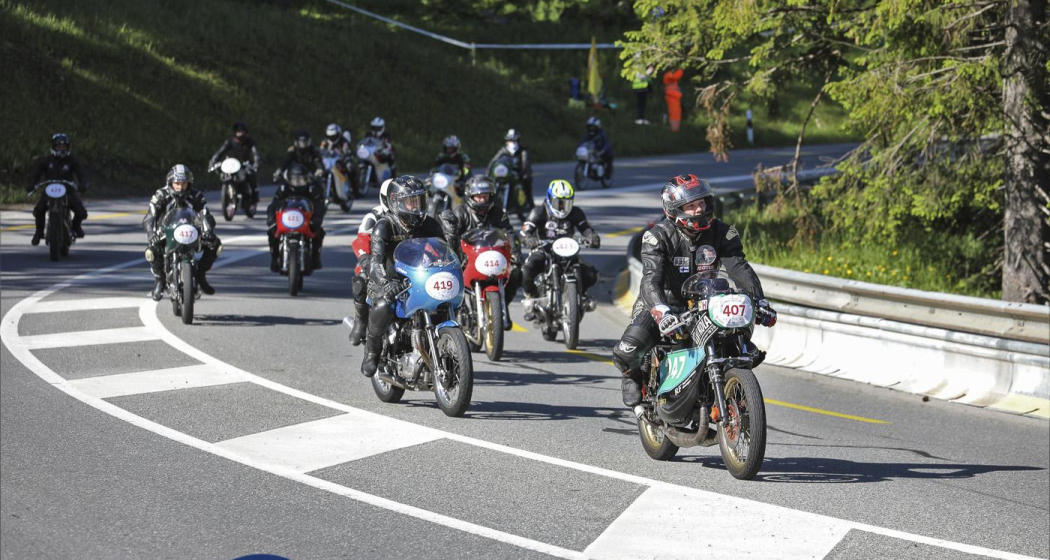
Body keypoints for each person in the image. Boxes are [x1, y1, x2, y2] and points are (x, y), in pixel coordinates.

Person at [611, 174, 778, 408]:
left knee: (742, 341)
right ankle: (632, 375)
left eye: (702, 203)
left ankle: (731, 385)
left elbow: (738, 266)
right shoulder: (657, 236)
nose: (699, 210)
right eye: (691, 206)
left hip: (706, 303)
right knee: (627, 351)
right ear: (674, 210)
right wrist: (662, 311)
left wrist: (759, 300)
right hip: (663, 303)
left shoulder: (723, 232)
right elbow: (651, 280)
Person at [360, 176, 446, 377]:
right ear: (395, 201)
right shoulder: (385, 225)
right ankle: (371, 352)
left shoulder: (430, 225)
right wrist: (385, 282)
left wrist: (452, 237)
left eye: (419, 200)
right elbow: (376, 261)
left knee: (443, 305)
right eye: (410, 201)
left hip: (421, 277)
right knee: (383, 306)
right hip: (389, 279)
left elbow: (448, 256)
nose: (415, 207)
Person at [439, 175, 523, 329]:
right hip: (468, 261)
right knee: (449, 281)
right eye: (478, 197)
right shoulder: (460, 213)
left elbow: (509, 233)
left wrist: (516, 252)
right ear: (471, 197)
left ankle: (502, 307)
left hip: (494, 260)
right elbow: (451, 237)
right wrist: (454, 256)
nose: (482, 200)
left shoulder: (498, 213)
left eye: (485, 196)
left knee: (517, 273)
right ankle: (454, 315)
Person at [519, 179, 600, 321]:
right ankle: (531, 298)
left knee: (590, 273)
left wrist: (591, 236)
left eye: (566, 202)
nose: (562, 207)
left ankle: (581, 295)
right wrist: (529, 239)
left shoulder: (576, 213)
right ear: (550, 199)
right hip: (543, 250)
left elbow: (585, 228)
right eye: (559, 202)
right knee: (526, 269)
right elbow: (525, 231)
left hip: (568, 252)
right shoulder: (538, 212)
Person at [143, 165, 221, 300]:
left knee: (215, 245)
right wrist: (152, 234)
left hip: (192, 232)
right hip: (166, 233)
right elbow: (150, 217)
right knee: (151, 250)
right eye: (177, 183)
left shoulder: (196, 195)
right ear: (170, 183)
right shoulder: (161, 195)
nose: (180, 187)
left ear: (188, 183)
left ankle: (201, 276)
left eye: (183, 183)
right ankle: (159, 280)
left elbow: (205, 214)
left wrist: (208, 230)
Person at [348, 179, 393, 347]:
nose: (407, 204)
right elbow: (360, 241)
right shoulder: (374, 217)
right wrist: (366, 260)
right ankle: (360, 322)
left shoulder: (415, 216)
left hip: (405, 264)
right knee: (361, 278)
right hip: (377, 263)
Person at [27, 133, 89, 244]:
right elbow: (35, 174)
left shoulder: (72, 161)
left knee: (81, 212)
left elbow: (82, 174)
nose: (62, 149)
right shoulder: (46, 161)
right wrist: (31, 184)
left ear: (68, 147)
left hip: (68, 191)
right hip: (50, 191)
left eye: (64, 147)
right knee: (39, 210)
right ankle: (39, 232)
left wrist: (83, 184)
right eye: (59, 147)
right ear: (53, 147)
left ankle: (76, 227)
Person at [267, 162, 327, 271]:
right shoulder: (284, 188)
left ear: (306, 179)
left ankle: (315, 258)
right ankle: (274, 258)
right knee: (271, 232)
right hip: (287, 220)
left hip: (306, 221)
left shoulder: (311, 189)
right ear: (289, 179)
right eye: (295, 180)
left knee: (319, 232)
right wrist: (271, 219)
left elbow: (319, 205)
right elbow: (273, 204)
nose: (298, 183)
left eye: (301, 180)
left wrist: (317, 219)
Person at [207, 121, 262, 203]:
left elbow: (255, 153)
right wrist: (213, 162)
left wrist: (256, 163)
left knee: (251, 174)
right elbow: (219, 152)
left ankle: (255, 195)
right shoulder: (230, 141)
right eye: (238, 131)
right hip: (232, 164)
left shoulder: (250, 142)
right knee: (224, 174)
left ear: (245, 132)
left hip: (245, 164)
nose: (239, 133)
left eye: (241, 131)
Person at [487, 128, 534, 214]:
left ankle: (531, 207)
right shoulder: (503, 150)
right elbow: (493, 161)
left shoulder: (523, 151)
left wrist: (524, 174)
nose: (512, 143)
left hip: (520, 175)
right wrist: (488, 173)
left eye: (514, 140)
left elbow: (526, 164)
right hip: (506, 174)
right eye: (510, 140)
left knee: (527, 187)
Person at [319, 122, 359, 204]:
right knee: (318, 172)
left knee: (350, 168)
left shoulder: (343, 142)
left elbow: (347, 151)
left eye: (334, 136)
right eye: (330, 136)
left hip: (341, 162)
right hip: (329, 162)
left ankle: (355, 190)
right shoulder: (324, 142)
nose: (332, 138)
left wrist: (347, 158)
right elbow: (320, 151)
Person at [630, 58, 655, 125]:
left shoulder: (644, 65)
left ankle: (642, 118)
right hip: (639, 88)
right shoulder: (638, 65)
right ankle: (639, 119)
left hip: (644, 88)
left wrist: (650, 87)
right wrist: (649, 71)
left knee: (643, 104)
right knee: (640, 104)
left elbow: (648, 79)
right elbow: (640, 76)